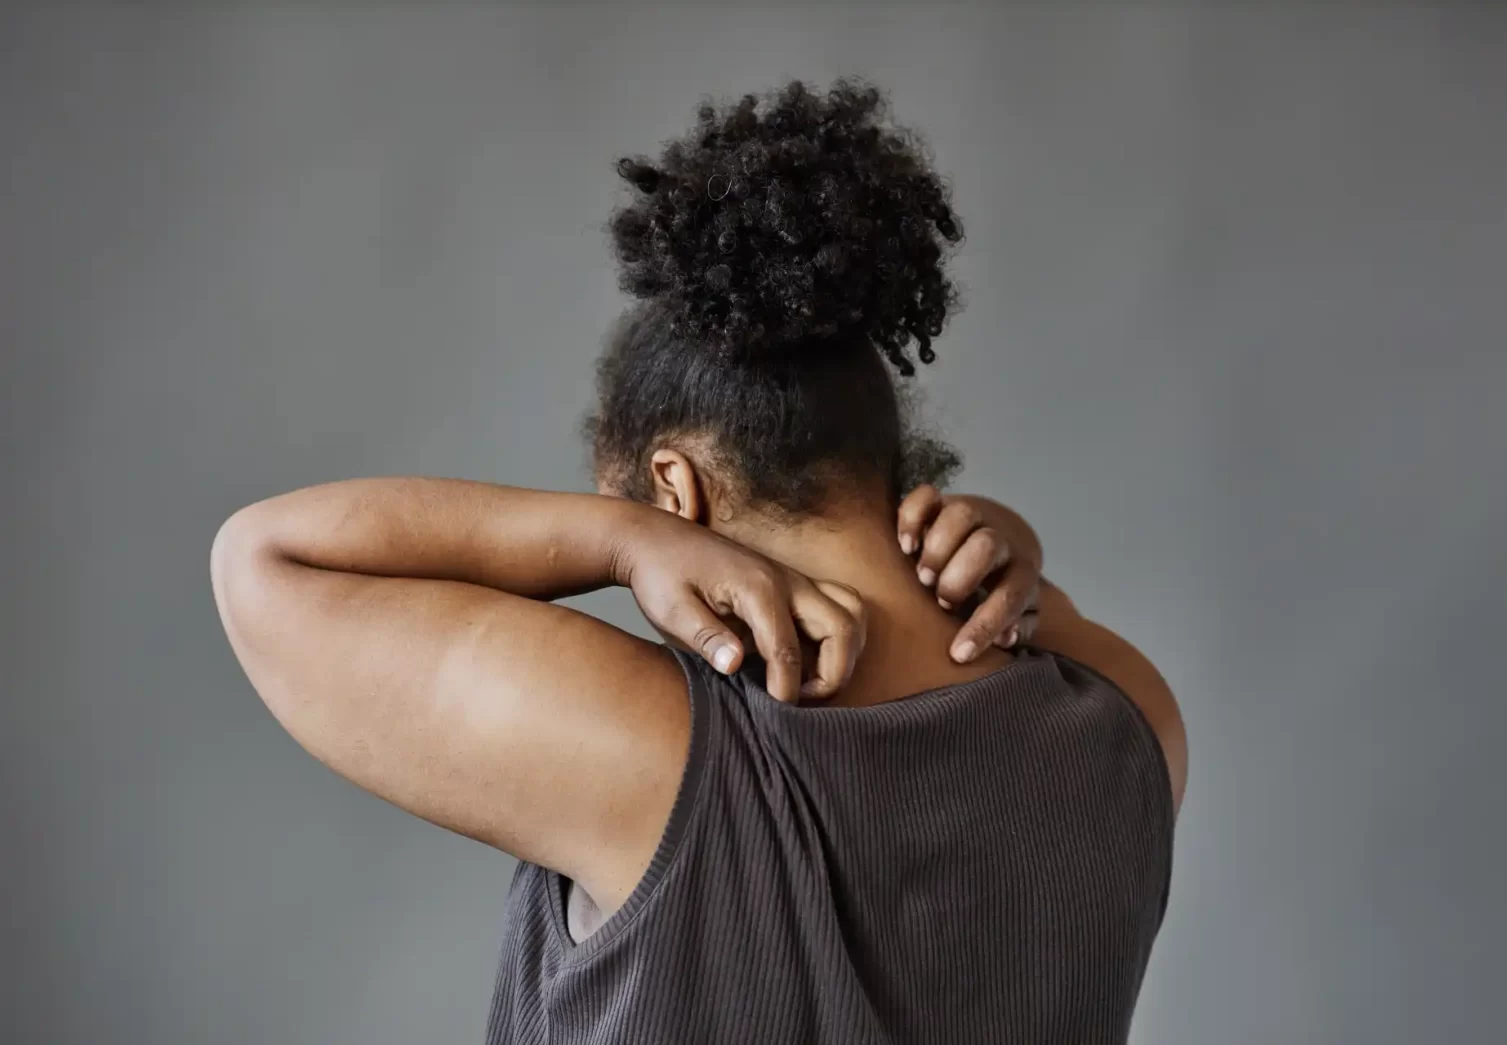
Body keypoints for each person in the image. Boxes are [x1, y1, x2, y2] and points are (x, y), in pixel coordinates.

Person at [210, 79, 1186, 1044]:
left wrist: (624, 543)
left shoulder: (648, 752)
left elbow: (264, 557)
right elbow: (1031, 626)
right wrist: (1015, 555)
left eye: (621, 501)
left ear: (673, 487)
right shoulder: (1130, 719)